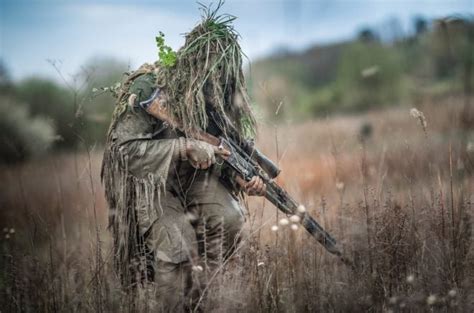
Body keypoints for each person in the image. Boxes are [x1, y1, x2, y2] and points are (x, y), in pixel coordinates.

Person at [101, 9, 265, 312]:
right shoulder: (148, 88)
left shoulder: (214, 95)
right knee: (176, 245)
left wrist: (243, 177)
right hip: (151, 182)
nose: (213, 78)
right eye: (207, 70)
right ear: (191, 61)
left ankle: (204, 301)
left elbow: (222, 146)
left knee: (230, 219)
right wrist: (182, 146)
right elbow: (124, 151)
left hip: (194, 177)